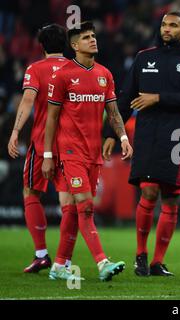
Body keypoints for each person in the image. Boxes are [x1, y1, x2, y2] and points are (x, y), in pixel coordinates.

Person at [102, 12, 180, 277]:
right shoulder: (144, 57)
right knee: (148, 192)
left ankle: (157, 262)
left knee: (171, 199)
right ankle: (141, 254)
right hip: (147, 135)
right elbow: (125, 98)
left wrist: (157, 98)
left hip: (177, 138)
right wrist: (111, 133)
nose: (167, 29)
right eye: (164, 24)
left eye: (173, 25)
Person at [42, 21, 133, 281]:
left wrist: (123, 137)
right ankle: (102, 262)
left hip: (93, 153)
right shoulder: (62, 75)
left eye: (94, 36)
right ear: (73, 45)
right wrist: (48, 156)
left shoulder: (104, 73)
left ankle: (59, 265)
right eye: (86, 38)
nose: (93, 40)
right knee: (86, 205)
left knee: (71, 208)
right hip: (69, 151)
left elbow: (113, 112)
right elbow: (51, 118)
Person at [7, 24, 78, 274]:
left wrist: (15, 131)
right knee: (69, 202)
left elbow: (27, 100)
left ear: (42, 45)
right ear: (67, 45)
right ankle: (64, 261)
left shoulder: (35, 69)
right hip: (72, 145)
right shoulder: (78, 69)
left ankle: (41, 255)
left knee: (31, 192)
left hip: (41, 143)